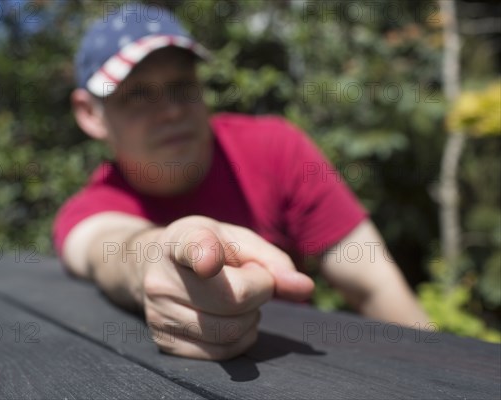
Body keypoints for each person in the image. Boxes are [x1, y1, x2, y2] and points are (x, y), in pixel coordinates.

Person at [54, 3, 430, 360]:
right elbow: (110, 246)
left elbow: (376, 285)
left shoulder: (276, 149)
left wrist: (443, 376)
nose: (170, 111)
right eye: (138, 94)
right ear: (90, 114)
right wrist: (158, 256)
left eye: (182, 86)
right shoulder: (93, 206)